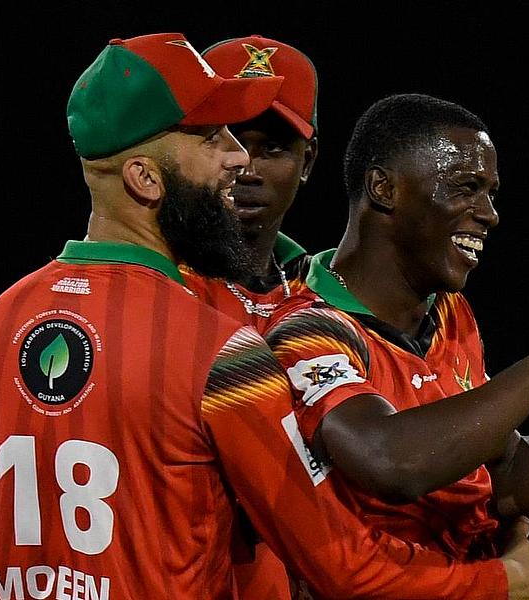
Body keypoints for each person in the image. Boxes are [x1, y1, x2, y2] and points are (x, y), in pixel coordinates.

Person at [0, 34, 529, 600]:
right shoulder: (217, 345)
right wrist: (503, 583)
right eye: (211, 138)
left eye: (263, 143)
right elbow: (343, 563)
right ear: (145, 178)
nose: (238, 159)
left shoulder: (3, 317)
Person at [263, 93, 529, 580]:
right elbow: (390, 462)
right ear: (384, 188)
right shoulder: (306, 324)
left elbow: (505, 476)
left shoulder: (450, 311)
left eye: (490, 192)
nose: (489, 213)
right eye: (466, 187)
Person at [182, 33, 319, 599]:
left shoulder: (330, 301)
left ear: (307, 162)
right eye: (226, 138)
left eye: (273, 148)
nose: (246, 165)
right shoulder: (157, 298)